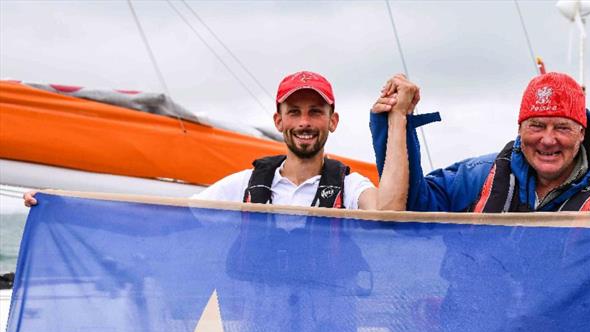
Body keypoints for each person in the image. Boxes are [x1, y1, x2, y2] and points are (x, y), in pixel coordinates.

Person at [24, 70, 387, 211]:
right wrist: (61, 204)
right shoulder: (243, 187)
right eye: (294, 112)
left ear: (332, 121)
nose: (304, 122)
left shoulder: (352, 188)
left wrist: (393, 121)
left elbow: (388, 215)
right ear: (279, 121)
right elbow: (160, 217)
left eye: (315, 112)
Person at [369, 72, 590, 213]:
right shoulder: (476, 176)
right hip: (475, 313)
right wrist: (395, 123)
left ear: (582, 133)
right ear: (519, 129)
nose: (548, 139)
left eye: (562, 127)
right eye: (537, 126)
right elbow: (412, 205)